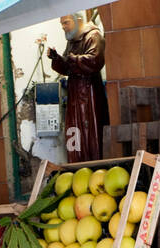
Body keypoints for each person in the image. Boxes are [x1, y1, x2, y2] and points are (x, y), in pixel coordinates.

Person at [48, 11, 110, 163]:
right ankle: (76, 166)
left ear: (78, 21)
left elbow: (95, 60)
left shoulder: (93, 36)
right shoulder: (72, 41)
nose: (63, 27)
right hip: (74, 96)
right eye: (61, 24)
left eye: (66, 22)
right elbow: (66, 68)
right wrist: (57, 58)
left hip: (90, 95)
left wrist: (72, 59)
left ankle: (95, 168)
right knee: (74, 133)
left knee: (92, 135)